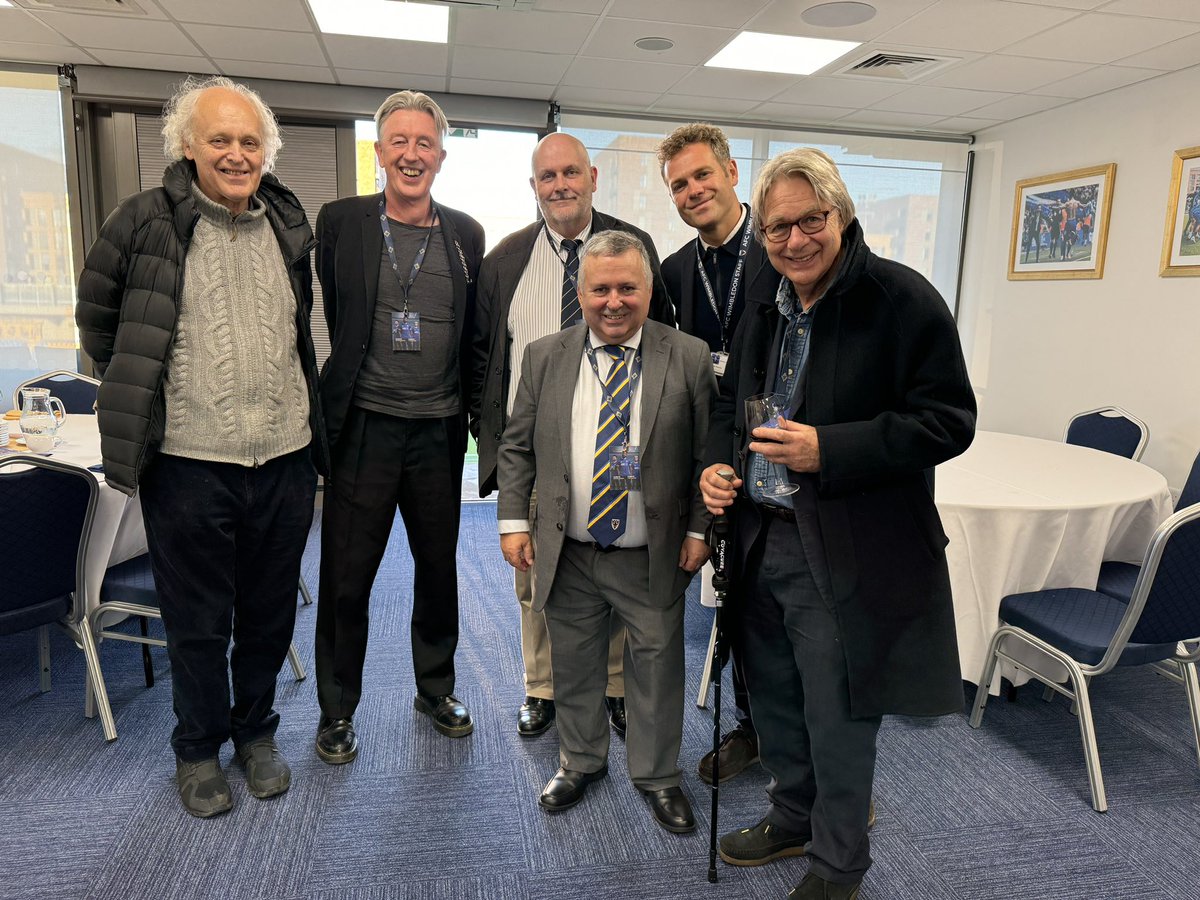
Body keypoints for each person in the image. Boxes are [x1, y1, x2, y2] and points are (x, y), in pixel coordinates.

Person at [699, 148, 975, 898]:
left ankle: (839, 864)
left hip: (845, 548)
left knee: (839, 717)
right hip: (761, 538)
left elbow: (950, 422)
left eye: (810, 221)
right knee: (779, 702)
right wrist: (721, 469)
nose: (794, 241)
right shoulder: (768, 301)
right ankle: (793, 817)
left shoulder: (902, 299)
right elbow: (736, 407)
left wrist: (832, 448)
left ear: (841, 215)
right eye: (779, 228)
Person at [75, 75, 327, 818]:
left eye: (250, 141)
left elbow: (295, 329)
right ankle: (197, 750)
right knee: (197, 621)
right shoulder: (143, 221)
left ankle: (256, 735)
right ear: (188, 145)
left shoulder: (286, 221)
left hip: (284, 456)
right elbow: (100, 325)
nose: (237, 153)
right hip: (187, 460)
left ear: (267, 152)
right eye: (221, 139)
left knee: (269, 614)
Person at [496, 231, 715, 834]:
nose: (613, 301)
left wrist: (702, 530)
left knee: (656, 665)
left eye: (627, 287)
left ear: (648, 290)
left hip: (652, 553)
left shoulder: (689, 356)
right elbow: (516, 447)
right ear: (580, 291)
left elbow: (707, 455)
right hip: (568, 548)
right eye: (600, 288)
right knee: (574, 663)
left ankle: (657, 775)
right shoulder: (545, 356)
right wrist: (515, 522)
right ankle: (581, 761)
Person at [471, 133, 674, 739]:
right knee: (537, 578)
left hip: (616, 442)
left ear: (591, 178)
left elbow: (657, 336)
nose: (559, 185)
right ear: (533, 187)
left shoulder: (633, 249)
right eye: (546, 176)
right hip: (535, 451)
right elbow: (486, 358)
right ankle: (543, 687)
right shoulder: (505, 260)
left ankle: (613, 685)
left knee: (613, 566)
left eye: (569, 173)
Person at [313, 90, 484, 763]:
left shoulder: (465, 233)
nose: (412, 154)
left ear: (440, 155)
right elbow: (336, 310)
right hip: (364, 429)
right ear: (379, 152)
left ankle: (435, 688)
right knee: (347, 576)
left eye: (425, 143)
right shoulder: (341, 222)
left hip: (439, 432)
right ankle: (336, 709)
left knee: (438, 569)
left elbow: (473, 331)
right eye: (399, 142)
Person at [656, 122, 774, 786]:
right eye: (680, 184)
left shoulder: (782, 248)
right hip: (720, 457)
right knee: (737, 604)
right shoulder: (676, 270)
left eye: (703, 175)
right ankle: (752, 729)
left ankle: (807, 744)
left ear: (732, 173)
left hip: (786, 457)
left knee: (788, 613)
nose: (694, 190)